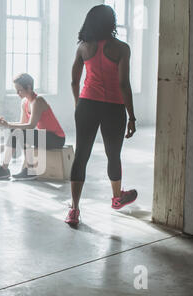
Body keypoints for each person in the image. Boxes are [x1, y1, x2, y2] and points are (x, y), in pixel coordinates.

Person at [66, 5, 138, 226]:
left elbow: (74, 81)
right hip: (114, 107)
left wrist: (79, 104)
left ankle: (75, 210)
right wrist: (132, 116)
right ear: (111, 23)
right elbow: (123, 84)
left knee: (81, 155)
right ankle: (117, 198)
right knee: (113, 154)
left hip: (87, 104)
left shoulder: (83, 48)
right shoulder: (121, 48)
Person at [0, 73, 66, 181]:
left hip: (56, 138)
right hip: (44, 136)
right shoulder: (24, 102)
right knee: (16, 131)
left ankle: (29, 170)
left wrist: (8, 125)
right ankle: (4, 169)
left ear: (29, 88)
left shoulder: (38, 101)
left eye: (19, 90)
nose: (17, 93)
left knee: (19, 132)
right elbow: (22, 124)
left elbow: (30, 126)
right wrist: (4, 124)